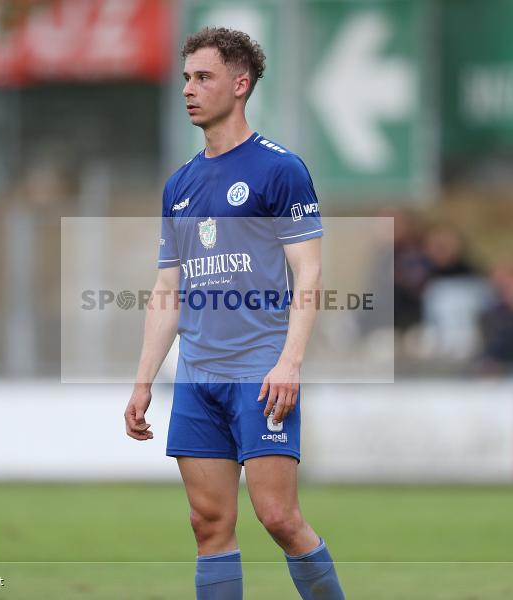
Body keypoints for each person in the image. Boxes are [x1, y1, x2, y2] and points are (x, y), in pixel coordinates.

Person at [122, 27, 344, 600]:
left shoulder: (280, 170)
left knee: (278, 517)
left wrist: (289, 362)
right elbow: (167, 289)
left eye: (204, 77)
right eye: (186, 78)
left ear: (240, 84)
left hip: (260, 374)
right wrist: (144, 380)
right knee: (208, 526)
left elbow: (311, 273)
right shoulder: (180, 186)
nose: (189, 90)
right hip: (198, 380)